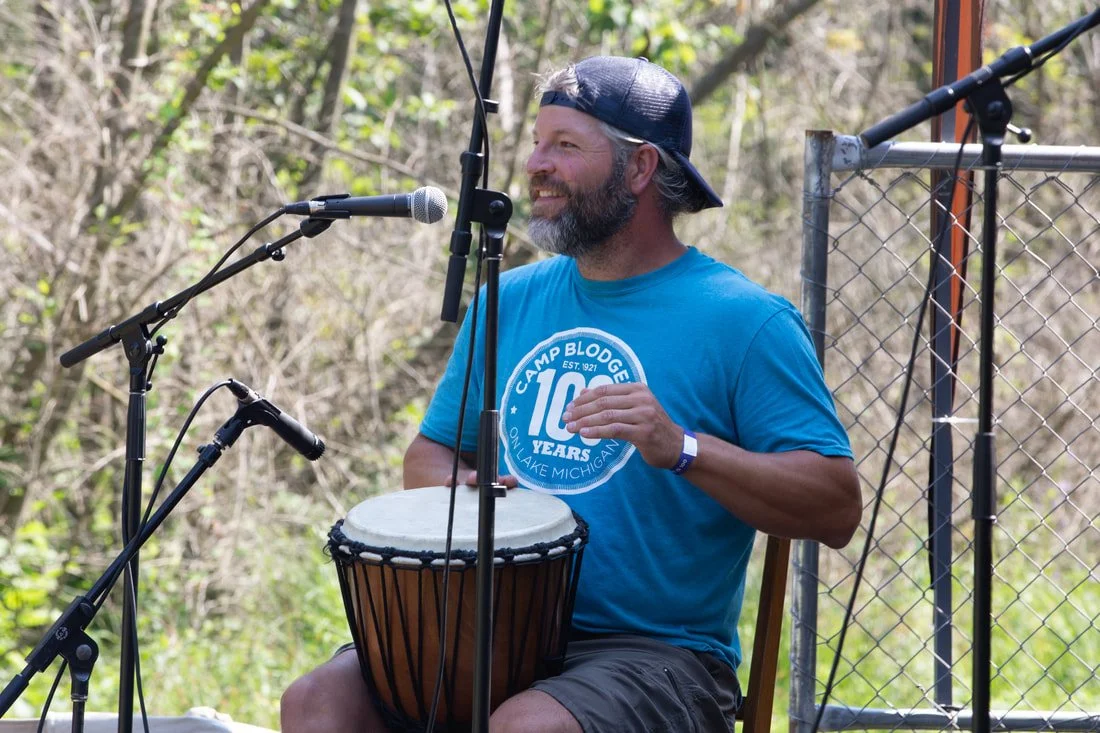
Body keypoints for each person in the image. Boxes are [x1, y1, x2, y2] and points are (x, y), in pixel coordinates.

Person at [281, 55, 861, 733]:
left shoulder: (744, 320)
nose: (534, 164)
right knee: (317, 700)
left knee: (529, 726)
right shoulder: (511, 296)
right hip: (487, 628)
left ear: (641, 168)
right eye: (535, 142)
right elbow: (428, 456)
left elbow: (836, 505)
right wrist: (462, 485)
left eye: (564, 146)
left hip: (656, 655)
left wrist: (681, 447)